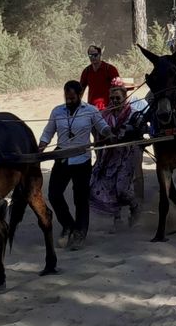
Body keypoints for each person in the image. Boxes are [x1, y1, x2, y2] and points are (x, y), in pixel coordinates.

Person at [38, 80, 111, 249]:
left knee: (81, 198)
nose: (69, 101)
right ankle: (68, 225)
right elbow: (48, 132)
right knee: (54, 194)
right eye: (67, 98)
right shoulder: (57, 111)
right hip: (62, 158)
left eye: (72, 98)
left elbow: (102, 126)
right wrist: (41, 147)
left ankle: (80, 232)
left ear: (80, 95)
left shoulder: (91, 110)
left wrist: (109, 134)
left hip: (82, 160)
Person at [90, 78, 147, 230]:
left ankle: (135, 206)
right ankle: (117, 218)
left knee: (121, 188)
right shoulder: (104, 115)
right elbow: (98, 132)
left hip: (128, 154)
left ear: (125, 98)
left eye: (118, 98)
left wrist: (128, 132)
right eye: (112, 98)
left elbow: (142, 130)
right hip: (110, 154)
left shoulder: (134, 114)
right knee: (110, 187)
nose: (115, 101)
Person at [79, 45, 119, 110]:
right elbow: (80, 90)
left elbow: (118, 89)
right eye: (90, 55)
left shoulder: (110, 69)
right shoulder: (86, 71)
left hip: (108, 108)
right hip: (92, 109)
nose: (93, 57)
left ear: (100, 55)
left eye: (95, 55)